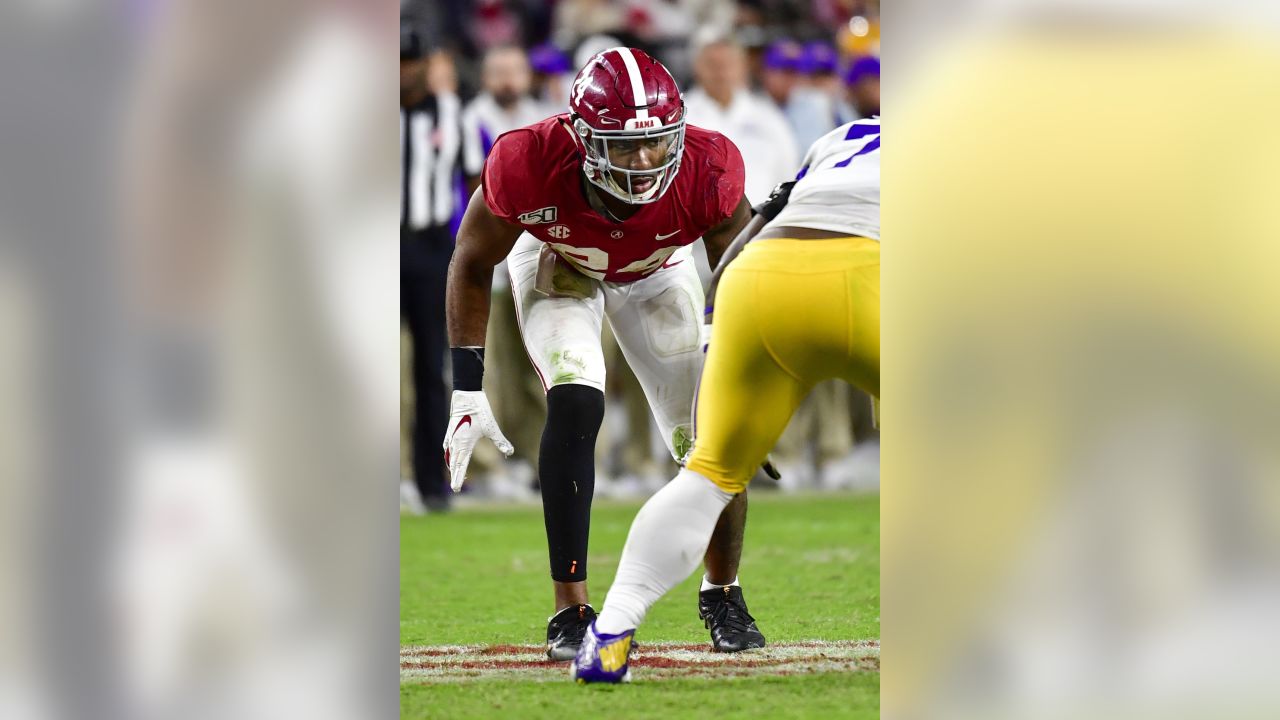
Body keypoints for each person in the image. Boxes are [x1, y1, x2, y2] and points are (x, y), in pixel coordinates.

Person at [443, 47, 766, 660]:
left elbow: (743, 270)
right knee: (576, 400)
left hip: (656, 270)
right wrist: (466, 384)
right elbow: (470, 261)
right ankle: (571, 610)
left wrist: (748, 369)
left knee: (711, 432)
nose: (643, 162)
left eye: (655, 142)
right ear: (581, 135)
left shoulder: (709, 165)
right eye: (622, 145)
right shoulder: (528, 160)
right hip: (558, 262)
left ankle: (723, 592)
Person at [571, 117, 881, 683]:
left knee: (708, 473)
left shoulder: (846, 135)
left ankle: (610, 638)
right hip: (873, 272)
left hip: (760, 278)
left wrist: (719, 342)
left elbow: (755, 226)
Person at [401, 23, 463, 513]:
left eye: (408, 60)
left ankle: (431, 485)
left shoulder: (450, 111)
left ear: (424, 64)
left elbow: (480, 178)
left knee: (430, 369)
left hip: (429, 247)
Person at [684, 32, 799, 205]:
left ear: (742, 67)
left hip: (759, 223)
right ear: (697, 67)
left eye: (727, 64)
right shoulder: (680, 117)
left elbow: (788, 174)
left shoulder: (768, 117)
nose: (720, 71)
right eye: (712, 64)